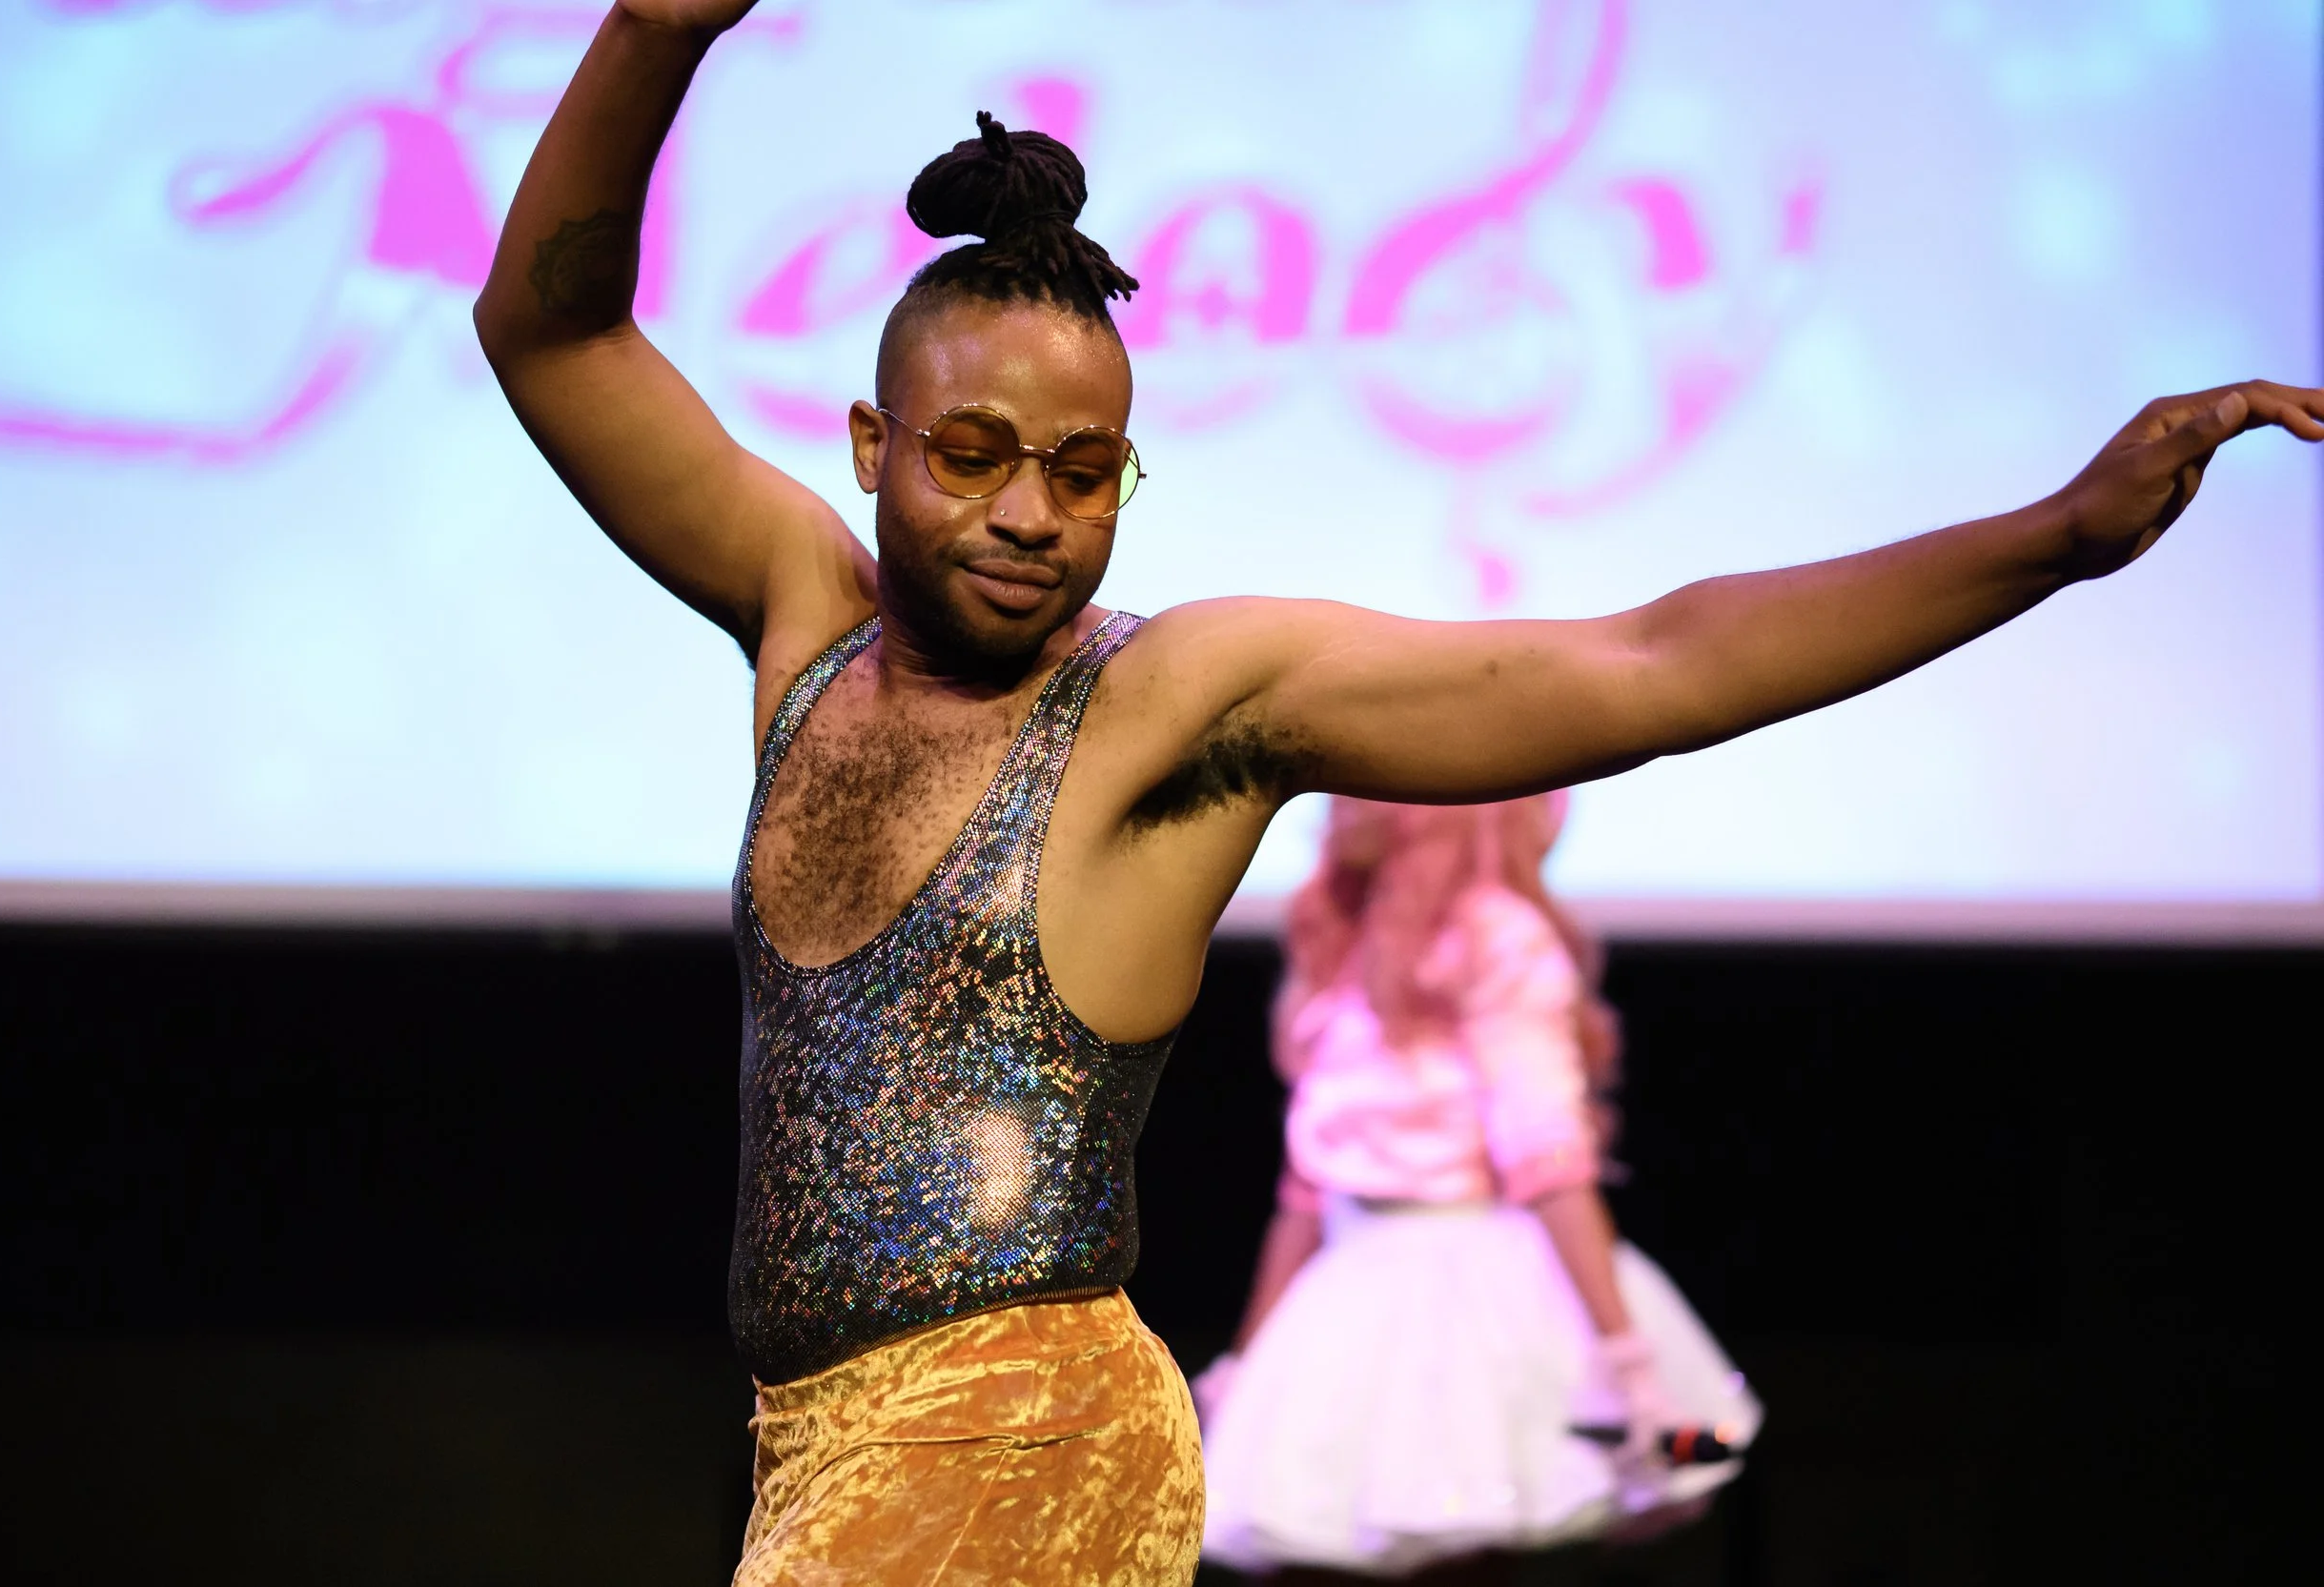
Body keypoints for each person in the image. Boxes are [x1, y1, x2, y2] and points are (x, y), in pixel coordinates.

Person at [471, 5, 2323, 1580]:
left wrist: (2056, 540)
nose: (1030, 511)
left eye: (1082, 468)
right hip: (814, 1447)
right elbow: (547, 336)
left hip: (1024, 1436)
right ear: (872, 445)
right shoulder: (802, 621)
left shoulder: (1165, 702)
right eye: (971, 455)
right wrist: (655, 30)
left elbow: (1649, 667)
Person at [1195, 794, 1759, 1582]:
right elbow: (1307, 1188)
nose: (1333, 807)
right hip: (1351, 1291)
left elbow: (1549, 1159)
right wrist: (1247, 1360)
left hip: (1466, 1297)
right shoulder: (1347, 938)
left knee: (1464, 1539)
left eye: (1359, 782)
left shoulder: (1492, 934)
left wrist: (1627, 1358)